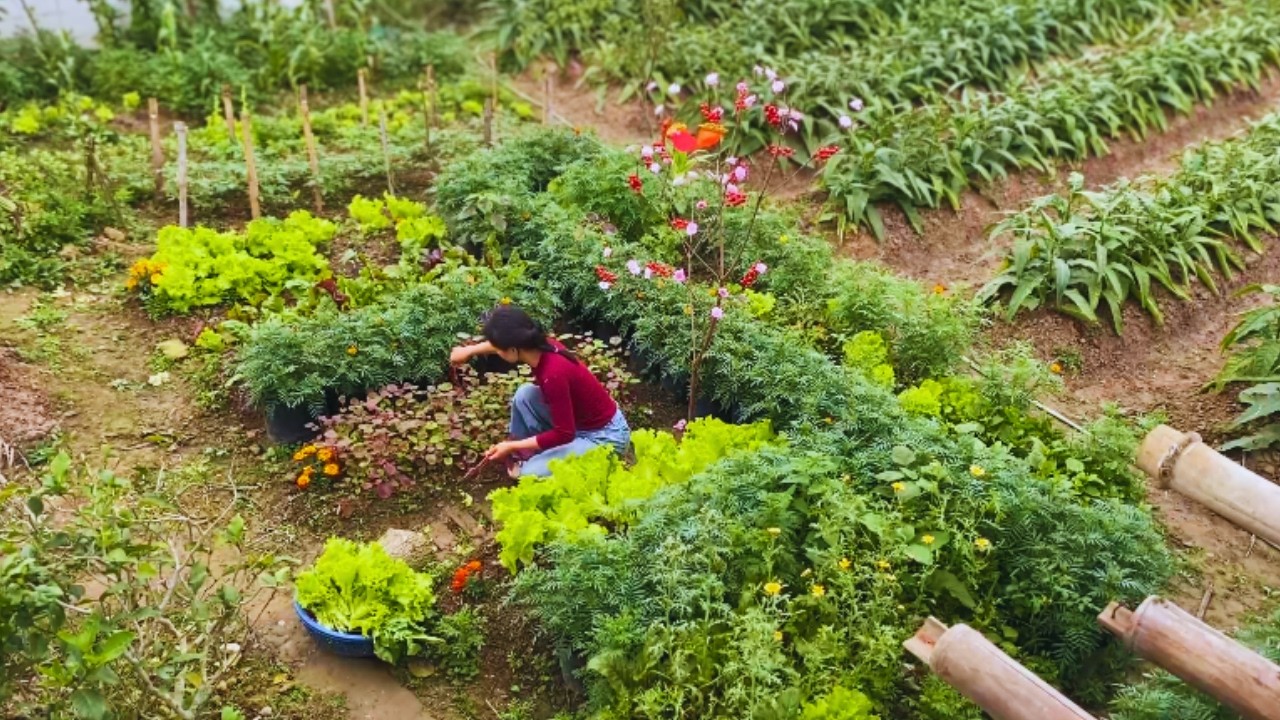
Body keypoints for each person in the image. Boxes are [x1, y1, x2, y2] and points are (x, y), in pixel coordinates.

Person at [449, 305, 631, 478]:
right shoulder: (543, 345)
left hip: (605, 438)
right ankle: (524, 451)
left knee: (528, 474)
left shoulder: (553, 374)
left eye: (498, 348)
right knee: (524, 395)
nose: (496, 350)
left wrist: (510, 446)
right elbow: (502, 345)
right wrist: (469, 350)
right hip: (580, 423)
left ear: (513, 349)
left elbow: (563, 433)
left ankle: (527, 455)